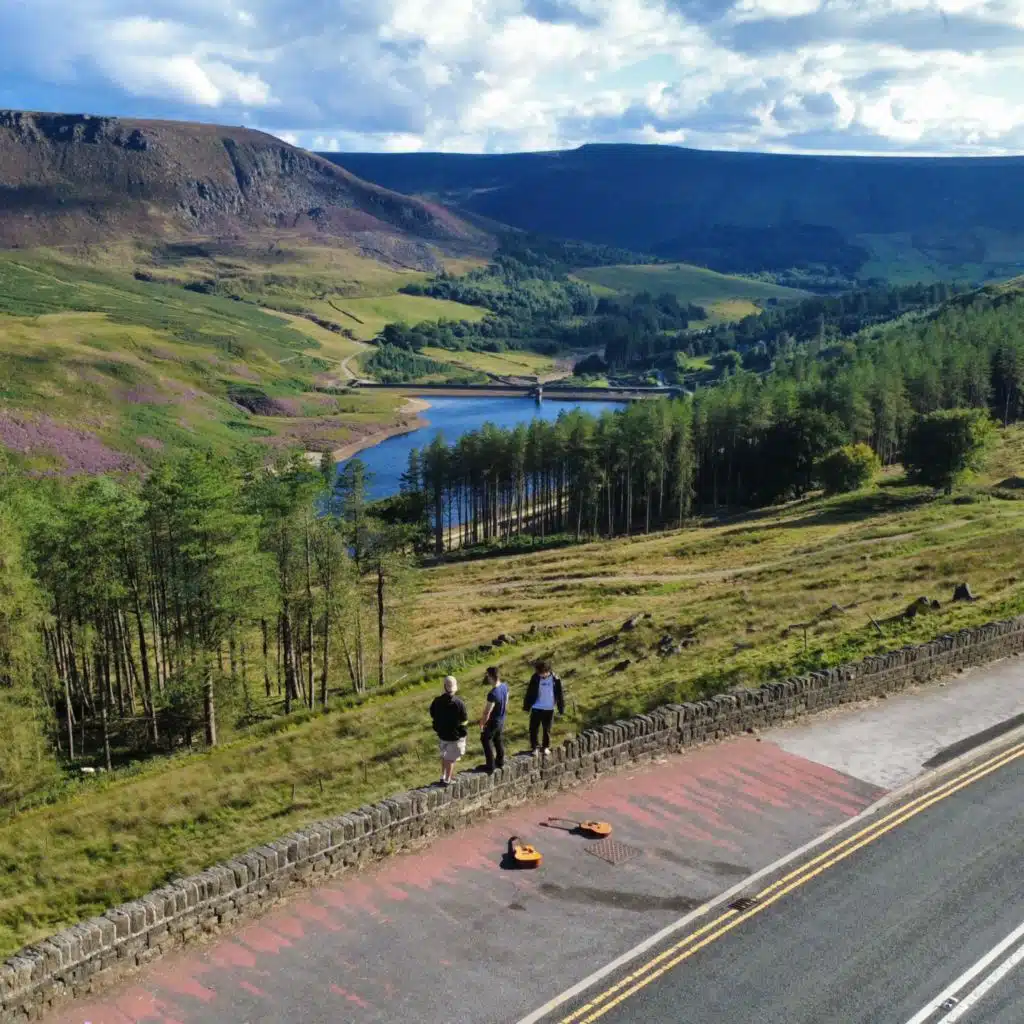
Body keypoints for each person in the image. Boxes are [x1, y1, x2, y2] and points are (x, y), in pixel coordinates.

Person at [429, 676, 468, 785]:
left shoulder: (437, 701)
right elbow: (464, 720)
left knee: (445, 756)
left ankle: (443, 776)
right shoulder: (459, 703)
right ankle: (447, 780)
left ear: (444, 687)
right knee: (451, 759)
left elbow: (432, 714)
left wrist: (438, 725)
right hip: (454, 736)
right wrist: (463, 733)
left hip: (442, 734)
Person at [522, 659, 564, 757]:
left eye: (541, 673)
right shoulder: (535, 677)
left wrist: (561, 707)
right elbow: (529, 692)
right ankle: (535, 748)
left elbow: (560, 694)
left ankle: (545, 747)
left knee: (547, 729)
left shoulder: (556, 679)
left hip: (549, 708)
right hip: (536, 707)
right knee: (533, 729)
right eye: (539, 673)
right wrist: (526, 706)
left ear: (547, 671)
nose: (540, 675)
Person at [479, 666, 508, 774]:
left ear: (491, 677)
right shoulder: (504, 686)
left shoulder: (493, 694)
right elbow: (506, 700)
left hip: (494, 721)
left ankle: (490, 766)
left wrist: (482, 722)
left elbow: (487, 711)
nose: (487, 678)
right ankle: (500, 761)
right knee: (497, 739)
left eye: (487, 676)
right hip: (501, 718)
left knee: (485, 739)